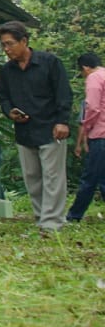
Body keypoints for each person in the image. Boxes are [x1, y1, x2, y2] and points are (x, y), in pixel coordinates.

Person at [0, 21, 72, 234]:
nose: (6, 49)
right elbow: (3, 98)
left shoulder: (50, 62)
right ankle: (41, 218)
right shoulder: (7, 71)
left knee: (53, 177)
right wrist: (9, 111)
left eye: (10, 44)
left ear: (24, 41)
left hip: (51, 127)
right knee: (32, 177)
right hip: (24, 130)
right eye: (3, 45)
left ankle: (52, 222)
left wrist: (62, 121)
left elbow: (63, 93)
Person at [69, 52, 105, 223]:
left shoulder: (94, 78)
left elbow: (93, 108)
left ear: (85, 67)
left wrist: (85, 130)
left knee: (90, 177)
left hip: (100, 134)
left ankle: (74, 215)